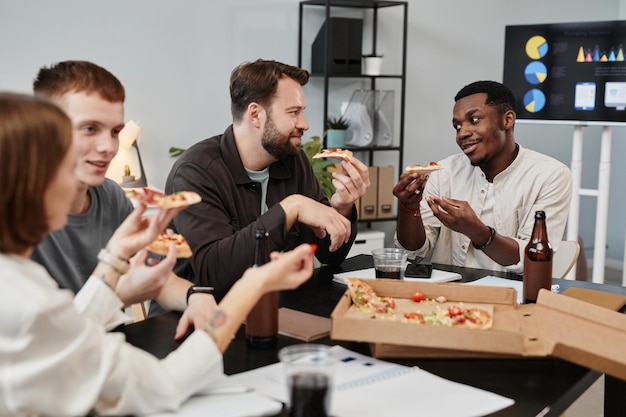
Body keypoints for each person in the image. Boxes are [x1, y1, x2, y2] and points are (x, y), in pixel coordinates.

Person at [0, 92, 315, 416]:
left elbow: (69, 334)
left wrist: (114, 259)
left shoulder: (18, 279)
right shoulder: (29, 305)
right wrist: (253, 286)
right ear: (30, 183)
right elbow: (163, 385)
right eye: (67, 166)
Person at [30, 60, 215, 327]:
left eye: (116, 131)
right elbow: (49, 336)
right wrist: (121, 294)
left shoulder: (111, 195)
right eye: (90, 128)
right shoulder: (17, 218)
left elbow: (157, 275)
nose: (108, 146)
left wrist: (194, 295)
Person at [166, 59, 370, 299]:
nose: (304, 124)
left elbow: (330, 255)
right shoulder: (196, 172)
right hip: (200, 321)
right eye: (293, 112)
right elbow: (216, 274)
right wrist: (290, 208)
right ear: (255, 114)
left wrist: (341, 208)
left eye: (302, 112)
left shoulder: (293, 161)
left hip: (276, 311)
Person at [393, 80, 572, 273]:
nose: (462, 133)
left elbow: (531, 259)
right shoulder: (444, 172)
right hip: (446, 296)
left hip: (510, 296)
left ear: (508, 120)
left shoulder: (551, 175)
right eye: (457, 126)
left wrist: (477, 231)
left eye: (474, 120)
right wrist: (408, 208)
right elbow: (413, 252)